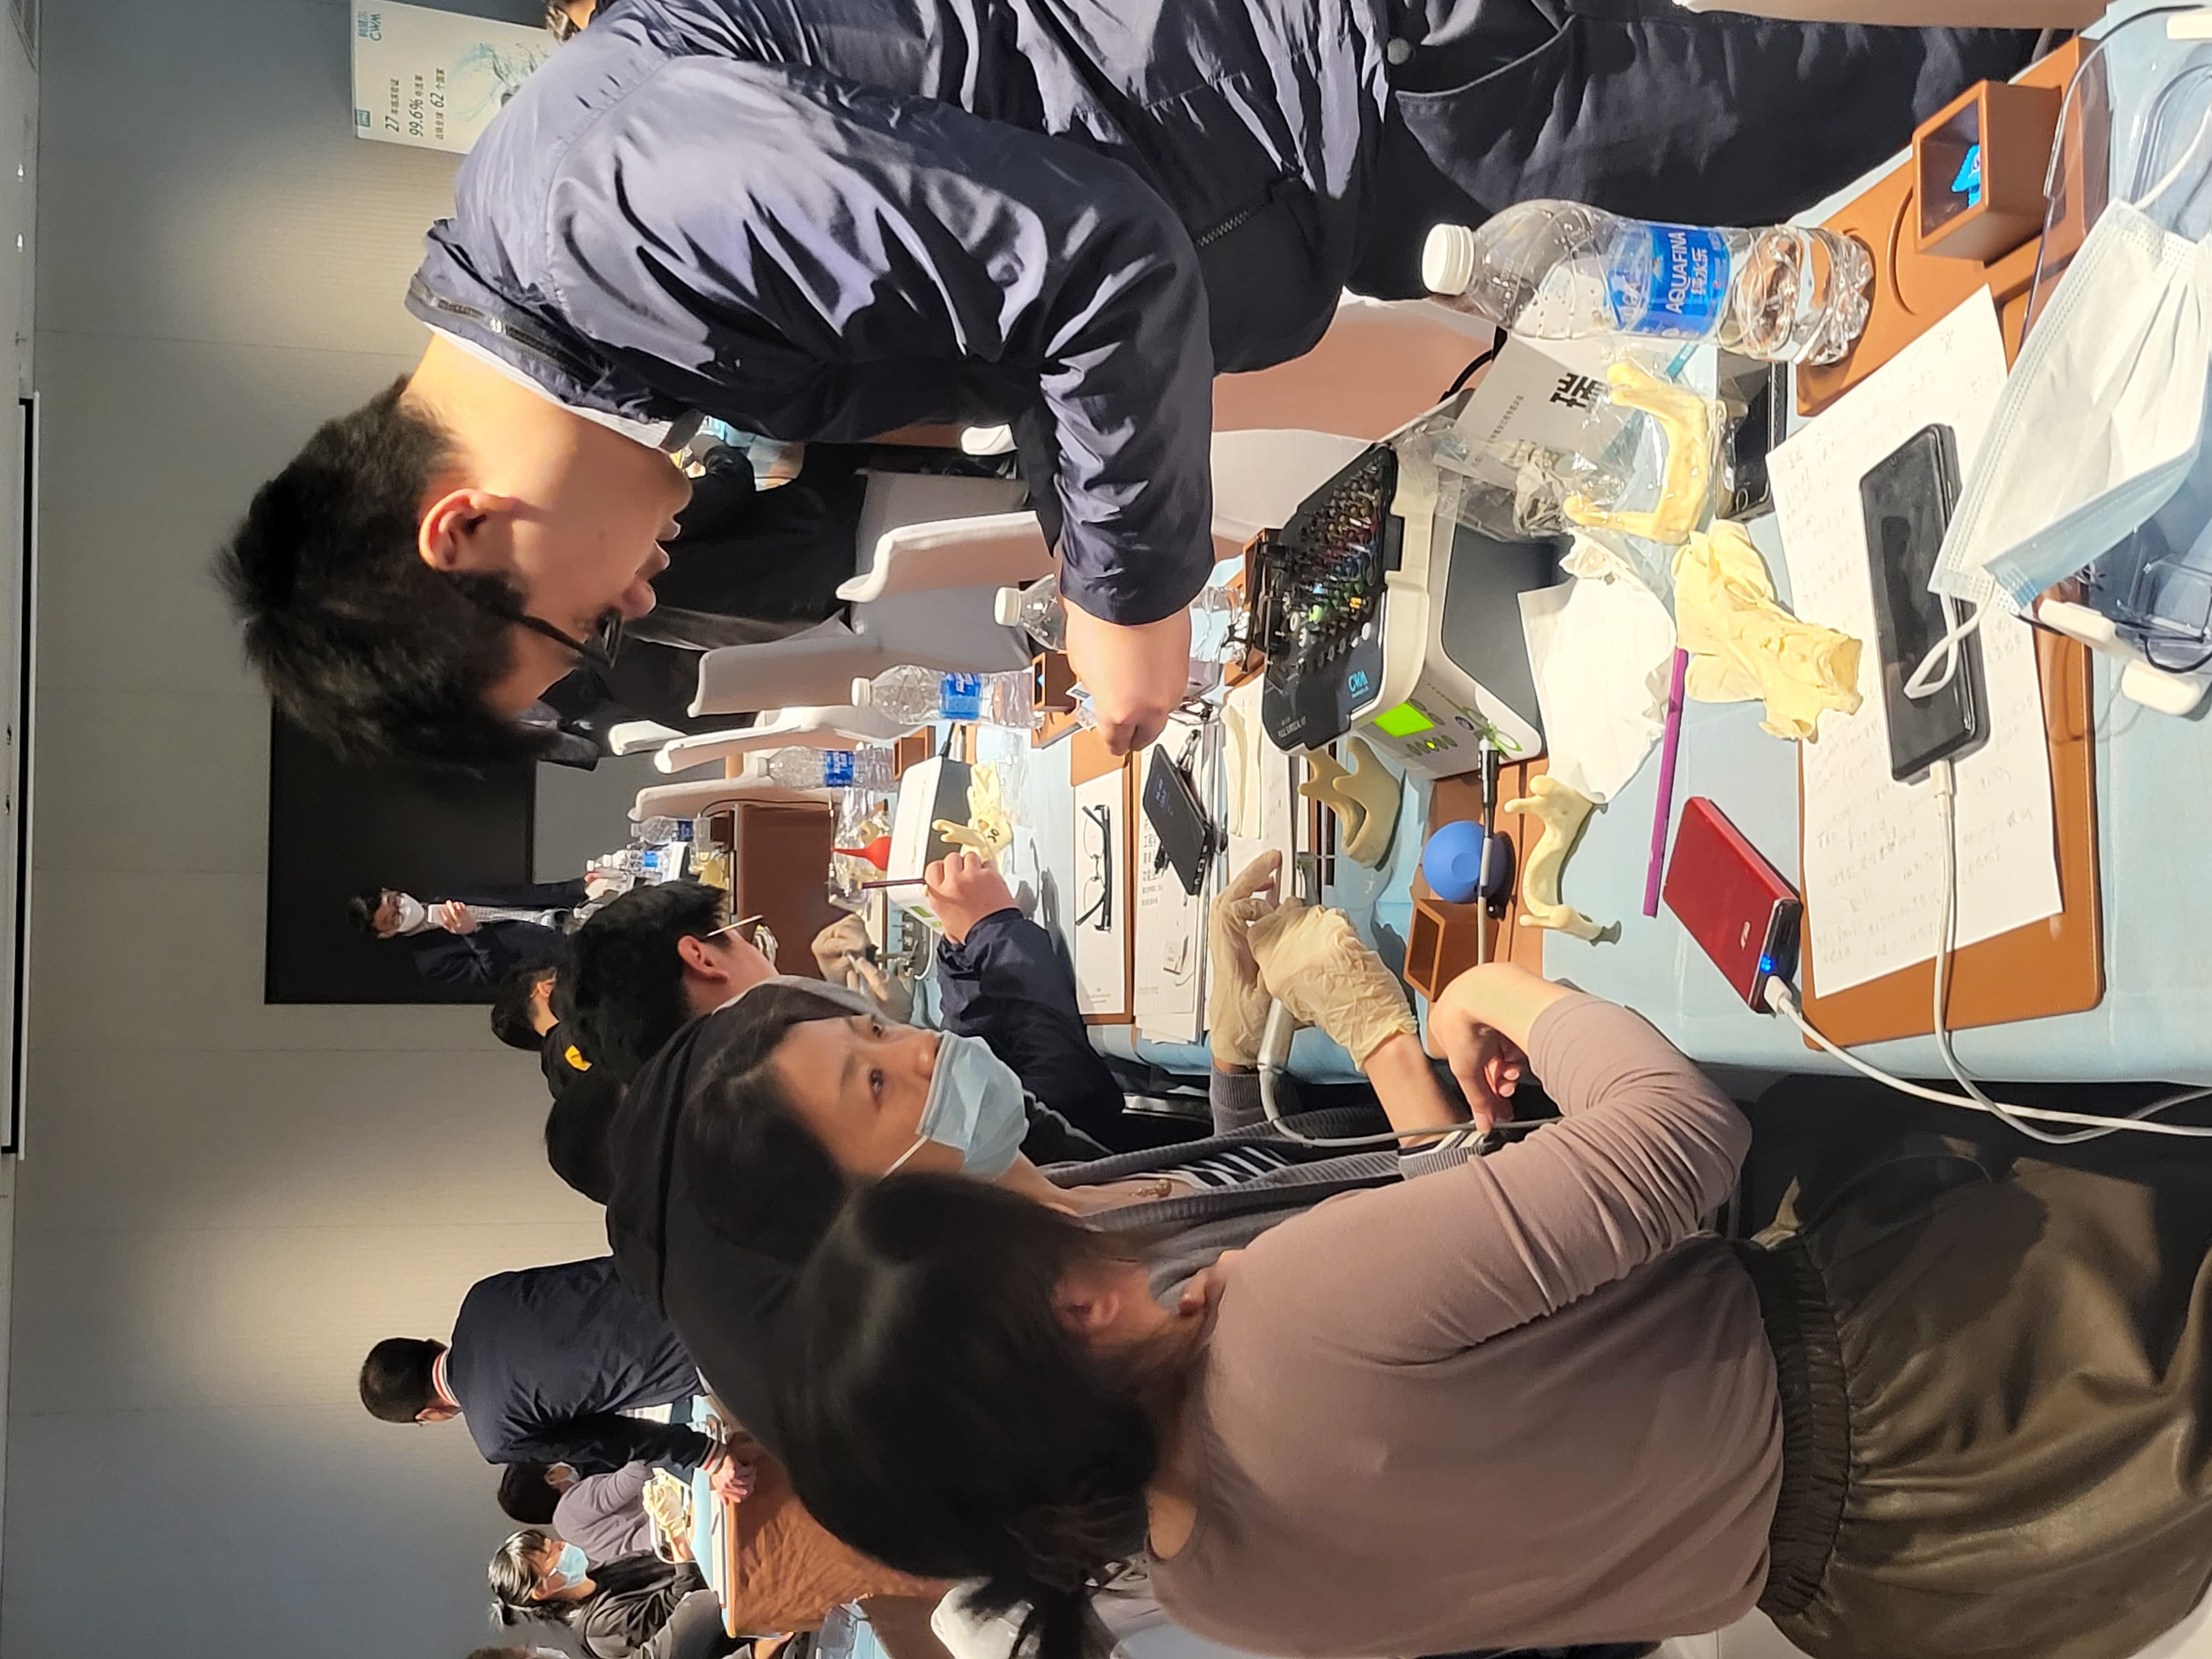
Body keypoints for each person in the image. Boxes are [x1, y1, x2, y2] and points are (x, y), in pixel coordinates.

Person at [219, 0, 2036, 769]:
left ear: (466, 531)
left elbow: (1090, 261)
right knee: (1906, 221)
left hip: (1369, 74)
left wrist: (1130, 598)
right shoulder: (629, 320)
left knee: (1964, 127)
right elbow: (1034, 353)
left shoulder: (603, 205)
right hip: (1335, 160)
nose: (634, 607)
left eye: (578, 630)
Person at [768, 959, 2212, 1659]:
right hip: (1961, 1380)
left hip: (1905, 1594)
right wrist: (1498, 988)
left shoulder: (1203, 1587)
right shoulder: (1285, 1321)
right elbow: (1681, 1135)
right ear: (1076, 1315)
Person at [603, 850, 1478, 1457]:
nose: (919, 1049)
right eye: (873, 1084)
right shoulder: (1128, 1311)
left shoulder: (1044, 1197)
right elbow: (1474, 1255)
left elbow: (1249, 1179)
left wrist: (1236, 1060)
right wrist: (1384, 1046)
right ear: (874, 1212)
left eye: (874, 1031)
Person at [356, 1254, 747, 1495]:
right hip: (693, 1271)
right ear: (430, 1343)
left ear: (428, 1414)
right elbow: (586, 1278)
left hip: (704, 1356)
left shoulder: (496, 1437)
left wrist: (707, 1455)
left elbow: (611, 1439)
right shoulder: (481, 1297)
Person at [488, 1531, 740, 1659]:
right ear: (542, 1590)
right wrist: (684, 1560)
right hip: (731, 1616)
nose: (560, 1545)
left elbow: (659, 1559)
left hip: (725, 1577)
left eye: (551, 1542)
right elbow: (681, 1608)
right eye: (550, 1554)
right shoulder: (599, 1629)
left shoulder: (601, 1573)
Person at [348, 879, 584, 989]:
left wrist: (579, 887)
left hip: (564, 911)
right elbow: (498, 975)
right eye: (394, 919)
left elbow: (517, 894)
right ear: (387, 934)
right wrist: (473, 934)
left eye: (396, 900)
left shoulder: (442, 894)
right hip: (561, 952)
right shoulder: (431, 960)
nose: (403, 908)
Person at [498, 1459, 659, 1563]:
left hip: (656, 1551)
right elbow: (637, 1474)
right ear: (552, 1477)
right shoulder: (571, 1507)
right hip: (660, 1533)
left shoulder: (567, 1528)